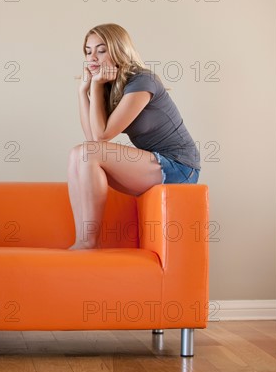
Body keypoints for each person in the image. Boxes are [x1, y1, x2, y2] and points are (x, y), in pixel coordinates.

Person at [68, 23, 200, 250]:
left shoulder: (142, 81)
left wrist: (97, 85)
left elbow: (101, 137)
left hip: (179, 167)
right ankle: (83, 240)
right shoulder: (110, 86)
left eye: (101, 50)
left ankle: (90, 242)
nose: (93, 57)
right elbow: (92, 139)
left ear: (118, 49)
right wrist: (83, 91)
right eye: (88, 51)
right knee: (76, 155)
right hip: (153, 165)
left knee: (87, 153)